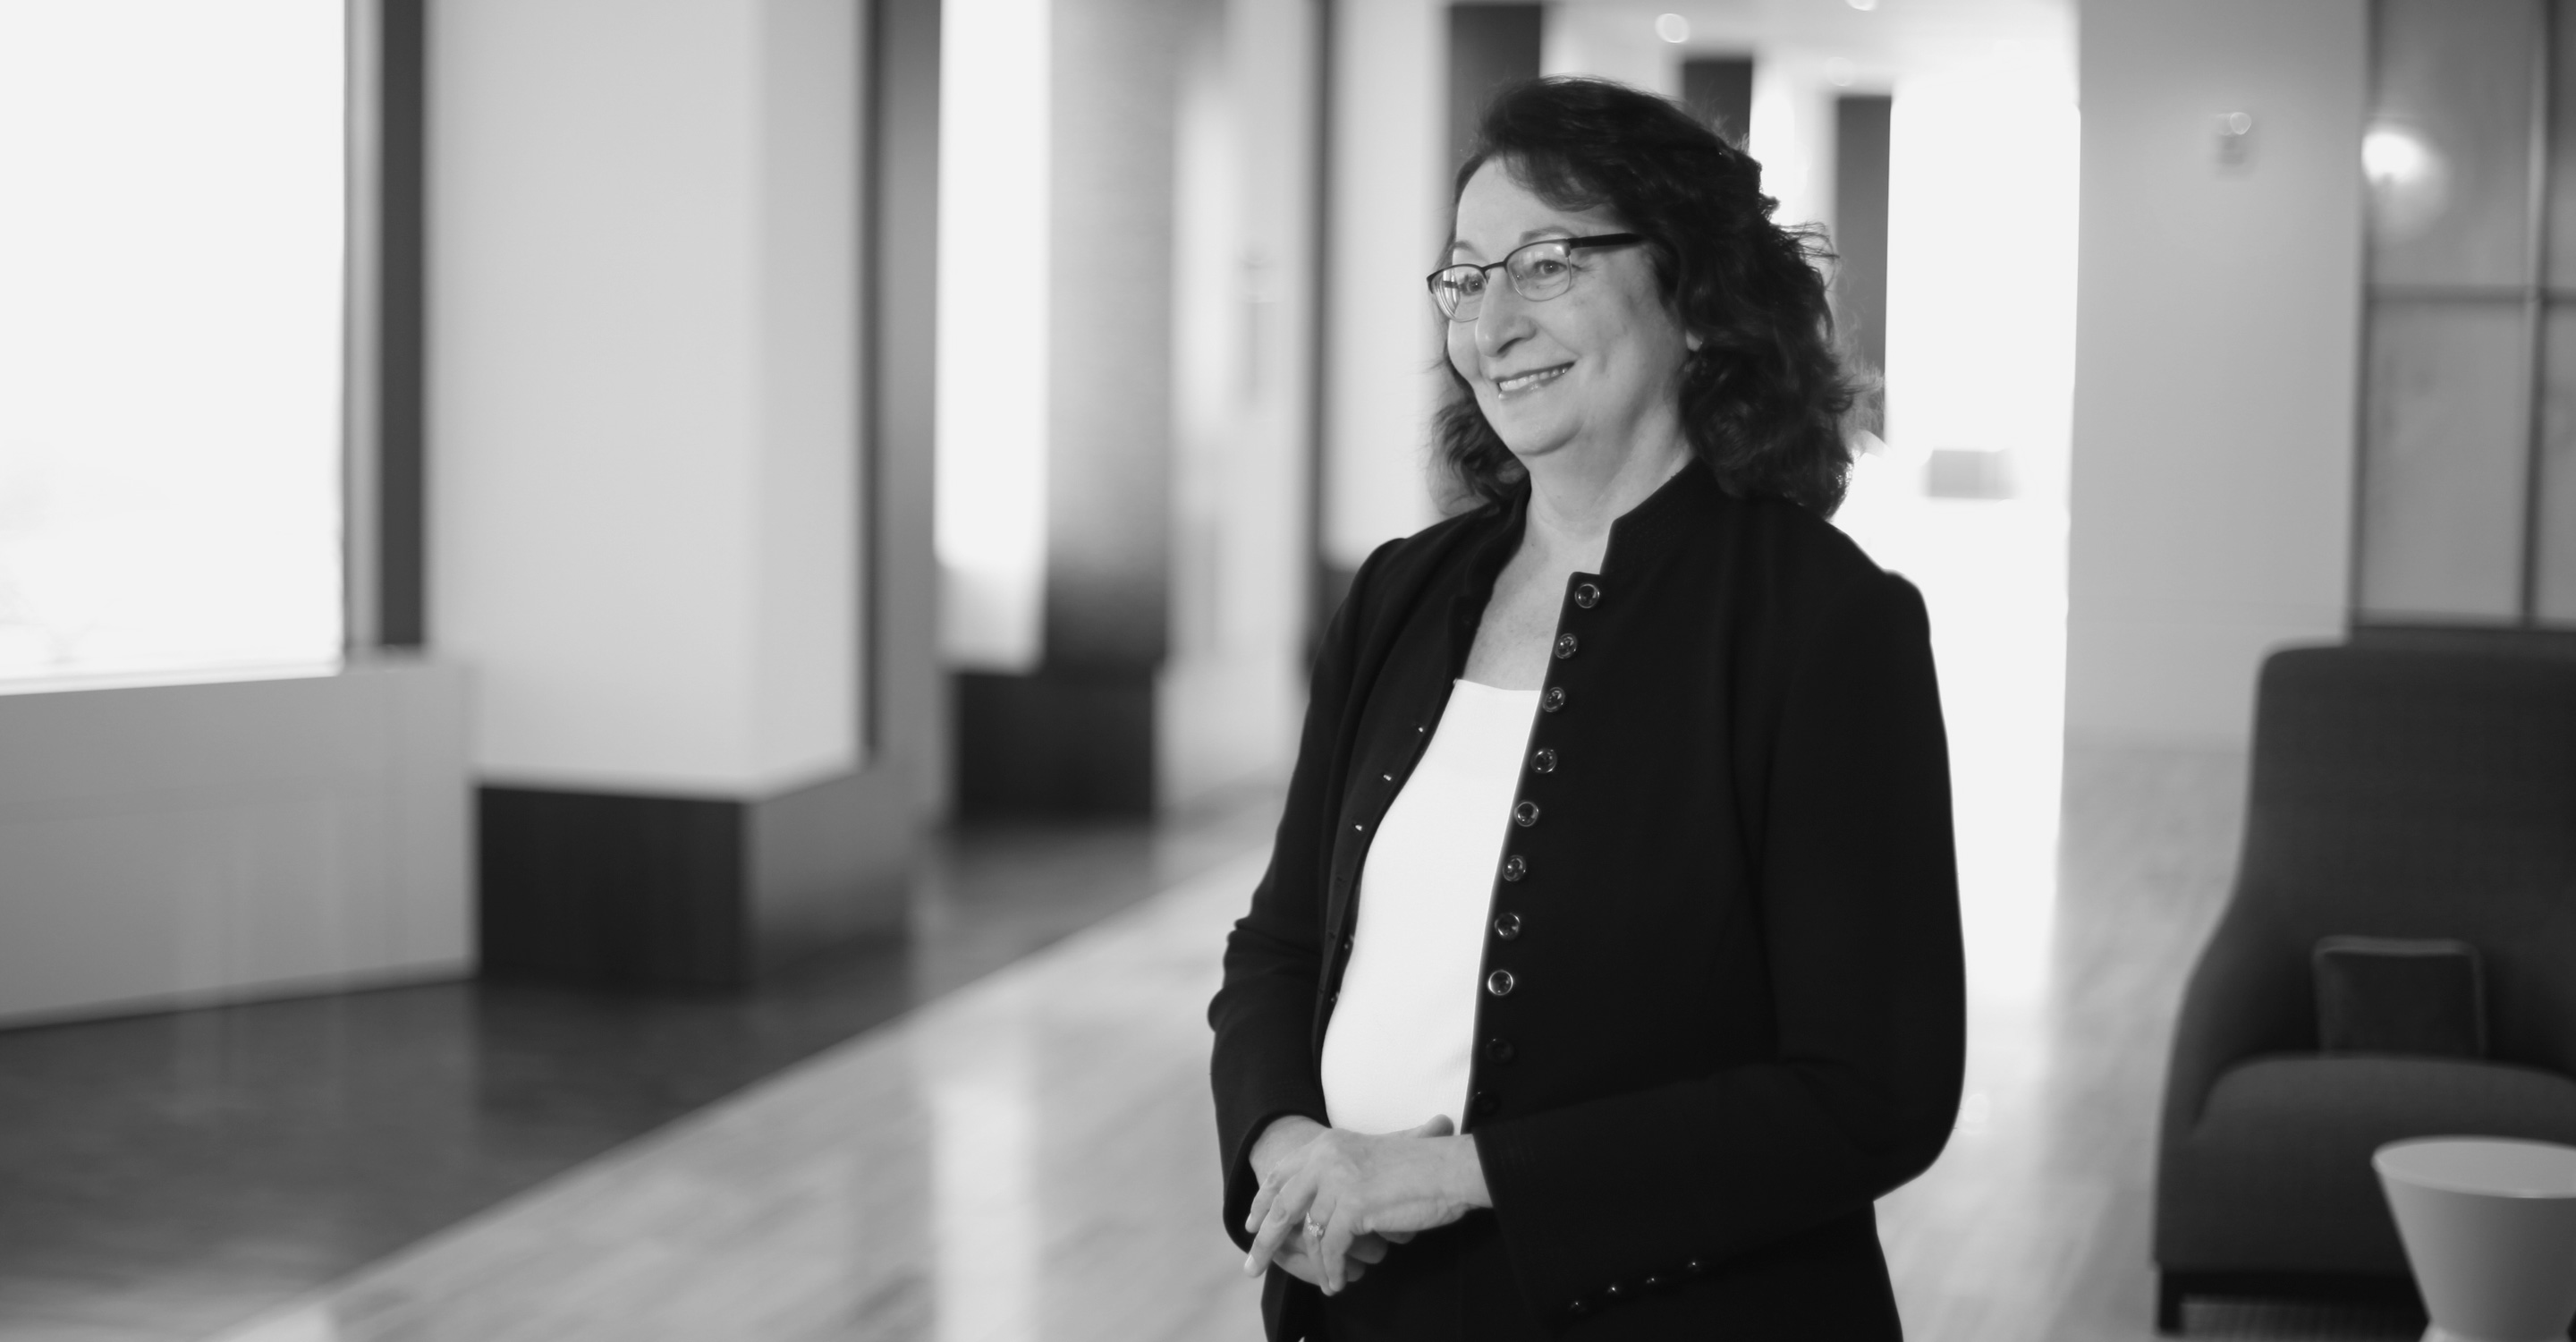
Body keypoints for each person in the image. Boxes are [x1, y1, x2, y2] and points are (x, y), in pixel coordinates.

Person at [1206, 76, 1965, 1339]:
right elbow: (1281, 946)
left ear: (1696, 294)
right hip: (1365, 1305)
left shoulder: (1826, 625)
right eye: (1466, 277)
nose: (1493, 322)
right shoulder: (1399, 592)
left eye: (1548, 263)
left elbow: (1873, 1091)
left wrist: (1457, 1178)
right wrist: (1287, 1149)